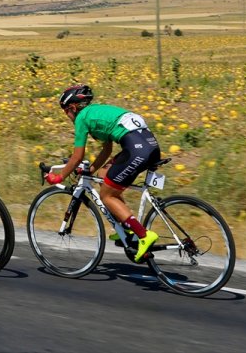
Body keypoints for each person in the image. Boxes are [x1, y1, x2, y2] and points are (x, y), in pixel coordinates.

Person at [46, 84, 161, 262]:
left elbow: (77, 156)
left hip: (137, 148)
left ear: (73, 108)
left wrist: (58, 177)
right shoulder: (96, 112)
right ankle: (127, 226)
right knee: (103, 175)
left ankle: (143, 235)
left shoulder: (81, 118)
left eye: (66, 112)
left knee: (107, 196)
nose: (67, 117)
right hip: (147, 144)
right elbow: (107, 150)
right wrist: (90, 170)